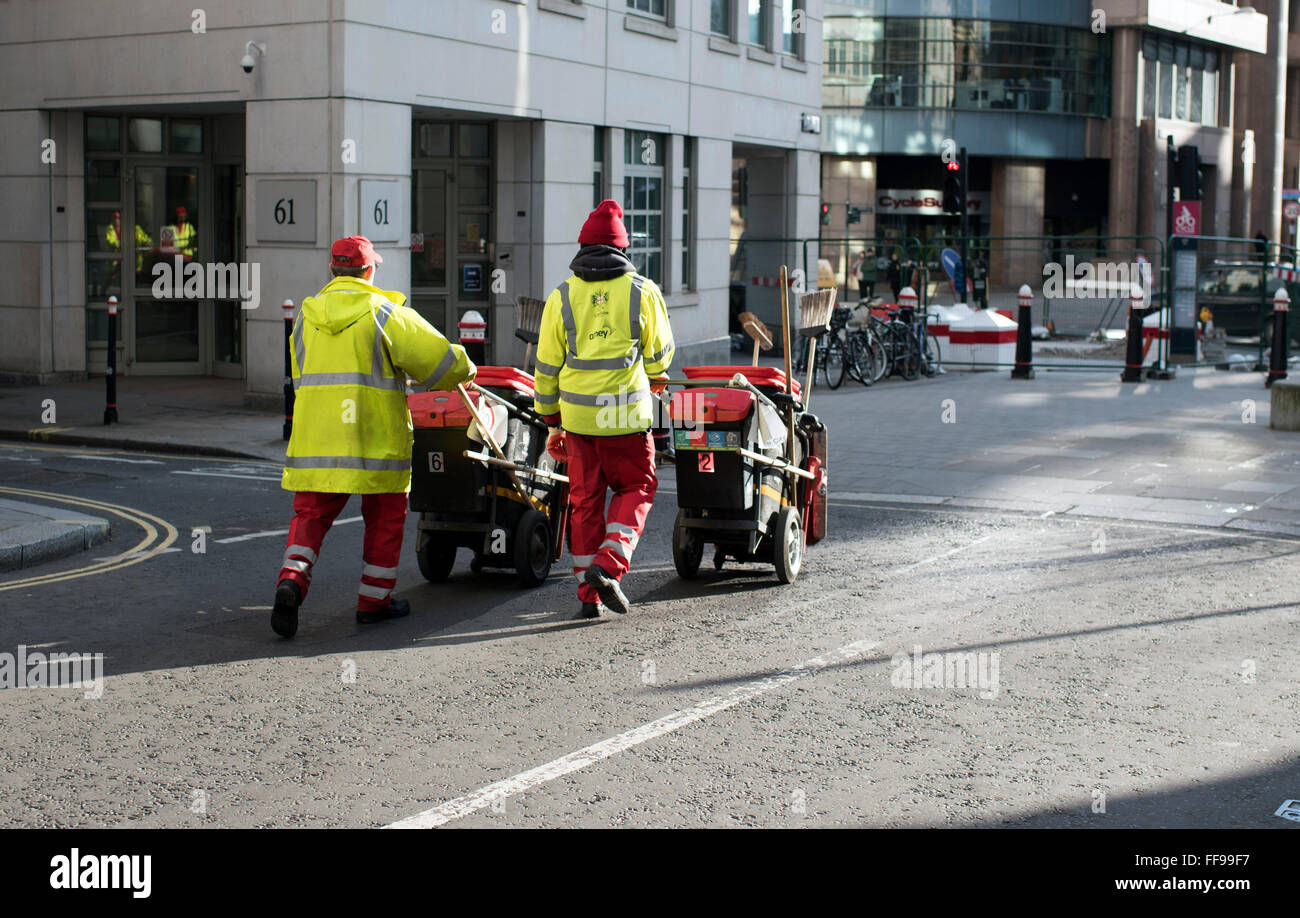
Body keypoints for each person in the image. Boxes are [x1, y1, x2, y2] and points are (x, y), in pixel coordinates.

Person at [271, 235, 476, 638]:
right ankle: (373, 601)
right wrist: (466, 368)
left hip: (317, 440)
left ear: (332, 270)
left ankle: (292, 578)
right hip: (374, 438)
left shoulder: (307, 317)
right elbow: (438, 359)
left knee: (310, 516)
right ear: (369, 271)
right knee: (384, 517)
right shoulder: (383, 312)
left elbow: (301, 375)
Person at [533, 200, 674, 620]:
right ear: (623, 249)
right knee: (637, 488)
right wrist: (654, 375)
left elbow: (545, 367)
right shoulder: (643, 292)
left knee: (586, 502)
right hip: (626, 417)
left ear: (583, 247)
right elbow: (660, 357)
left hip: (577, 422)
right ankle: (609, 565)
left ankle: (587, 596)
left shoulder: (561, 296)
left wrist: (551, 420)